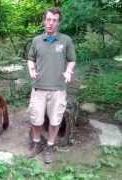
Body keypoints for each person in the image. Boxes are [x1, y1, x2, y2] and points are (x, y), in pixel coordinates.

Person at [27, 7, 76, 163]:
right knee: (36, 120)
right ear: (44, 21)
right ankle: (37, 143)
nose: (50, 23)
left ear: (58, 23)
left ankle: (49, 146)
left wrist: (68, 71)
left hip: (58, 89)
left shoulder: (66, 40)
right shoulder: (36, 41)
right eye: (48, 19)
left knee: (55, 121)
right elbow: (30, 59)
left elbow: (71, 60)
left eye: (54, 20)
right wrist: (31, 70)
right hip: (38, 88)